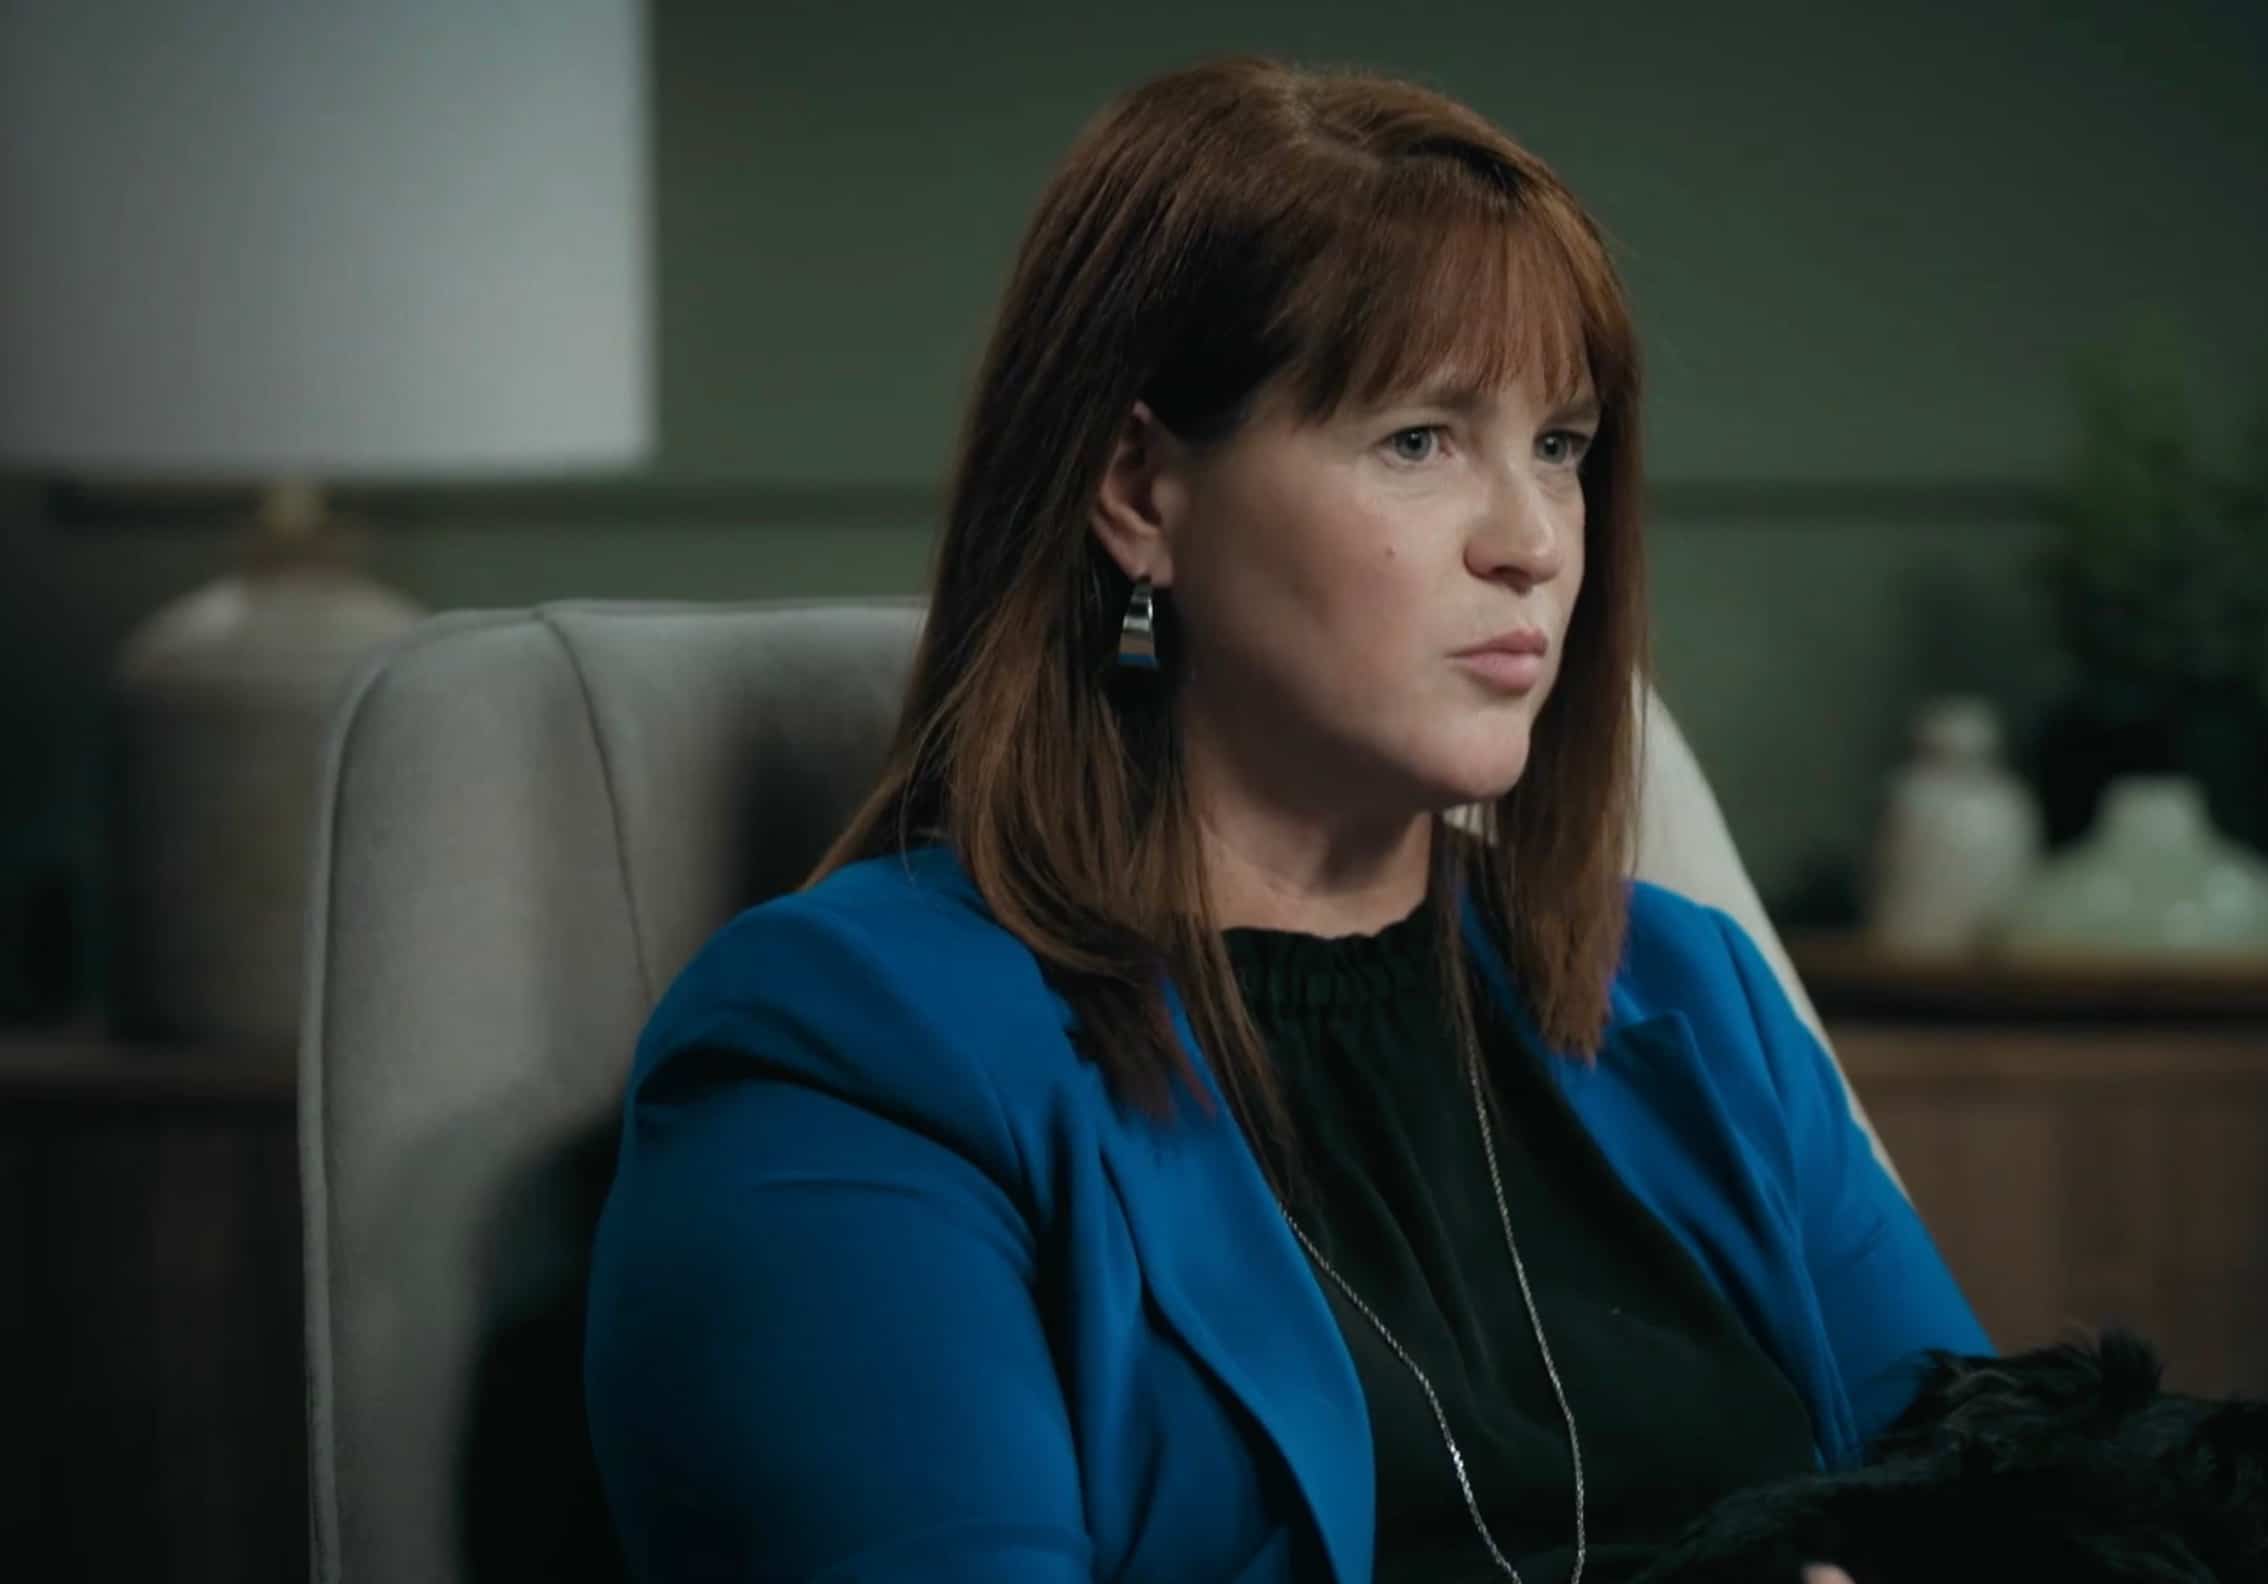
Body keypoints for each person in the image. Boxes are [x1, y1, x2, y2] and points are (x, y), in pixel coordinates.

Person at [582, 54, 1986, 1584]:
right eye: (1419, 440)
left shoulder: (1693, 999)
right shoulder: (851, 1048)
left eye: (1562, 447)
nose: (1532, 541)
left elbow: (2018, 1507)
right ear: (1141, 492)